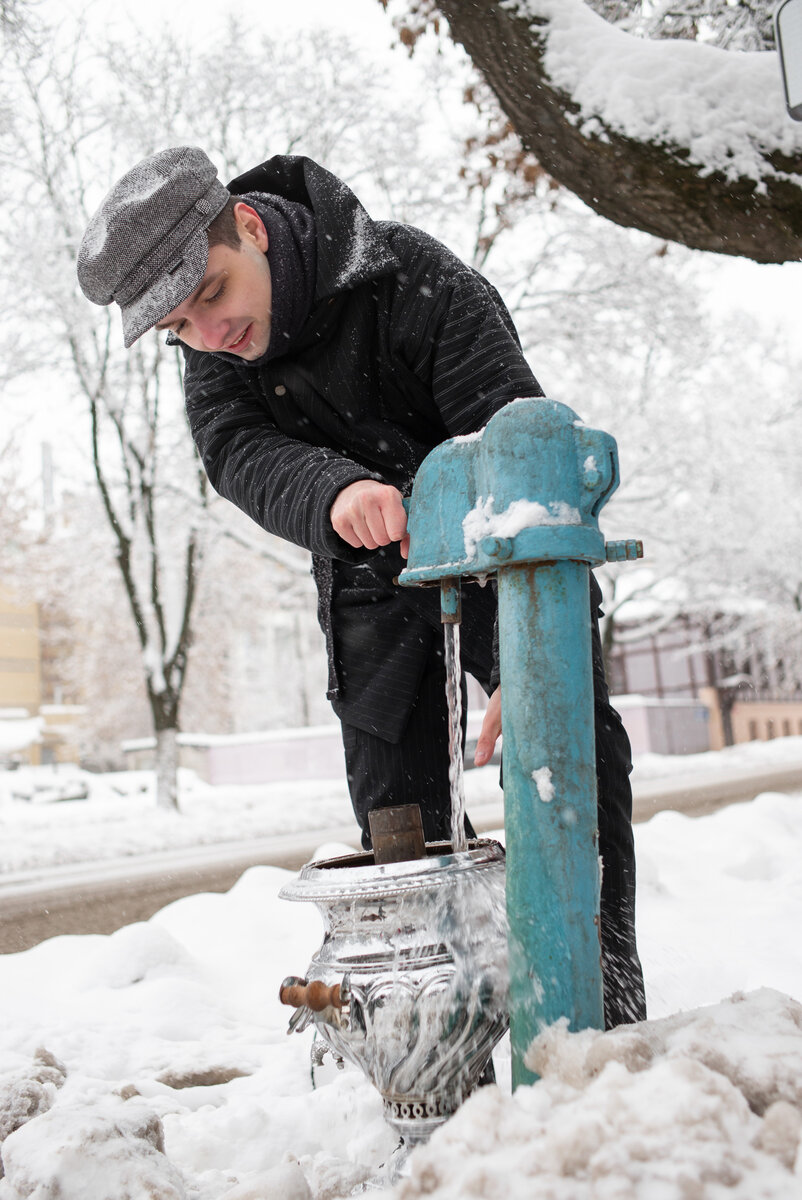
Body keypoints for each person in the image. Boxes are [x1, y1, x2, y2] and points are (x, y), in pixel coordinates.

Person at [77, 146, 646, 1028]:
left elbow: (526, 464)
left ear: (253, 229)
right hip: (368, 592)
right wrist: (334, 490)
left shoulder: (413, 280)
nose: (206, 334)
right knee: (397, 820)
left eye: (214, 296)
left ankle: (606, 1004)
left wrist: (541, 655)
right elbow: (236, 451)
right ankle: (430, 1046)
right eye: (179, 329)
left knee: (574, 744)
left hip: (501, 564)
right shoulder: (213, 349)